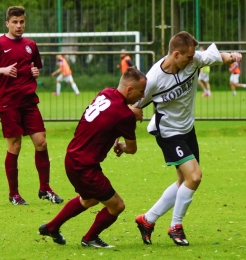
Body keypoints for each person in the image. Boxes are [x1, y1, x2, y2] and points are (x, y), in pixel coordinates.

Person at [134, 31, 243, 246]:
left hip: (187, 130)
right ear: (176, 54)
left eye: (194, 56)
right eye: (188, 57)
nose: (193, 60)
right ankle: (176, 225)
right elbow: (133, 104)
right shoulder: (153, 79)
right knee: (194, 177)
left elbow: (216, 57)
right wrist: (131, 117)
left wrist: (230, 55)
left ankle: (147, 220)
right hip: (168, 133)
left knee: (184, 182)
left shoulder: (193, 61)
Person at [38, 67, 147, 248]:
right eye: (140, 92)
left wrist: (126, 117)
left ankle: (52, 227)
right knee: (117, 206)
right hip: (85, 166)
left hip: (73, 157)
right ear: (129, 90)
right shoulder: (125, 115)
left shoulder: (105, 93)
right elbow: (132, 148)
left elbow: (111, 118)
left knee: (89, 199)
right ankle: (89, 239)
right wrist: (122, 140)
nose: (142, 97)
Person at [0, 6, 63, 205]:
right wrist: (2, 70)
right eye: (15, 22)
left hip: (29, 101)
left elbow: (34, 67)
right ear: (7, 23)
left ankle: (45, 189)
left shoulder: (30, 45)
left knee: (41, 142)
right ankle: (14, 194)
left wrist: (35, 73)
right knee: (15, 145)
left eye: (22, 22)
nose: (19, 26)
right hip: (8, 103)